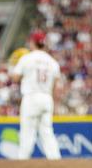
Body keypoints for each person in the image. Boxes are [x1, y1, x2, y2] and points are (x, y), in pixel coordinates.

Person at [10, 30, 62, 160]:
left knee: (27, 132)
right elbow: (55, 85)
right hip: (46, 98)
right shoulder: (52, 62)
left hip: (31, 97)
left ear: (33, 42)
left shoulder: (26, 58)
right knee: (47, 131)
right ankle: (55, 159)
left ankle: (22, 161)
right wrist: (54, 104)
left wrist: (12, 65)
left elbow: (15, 78)